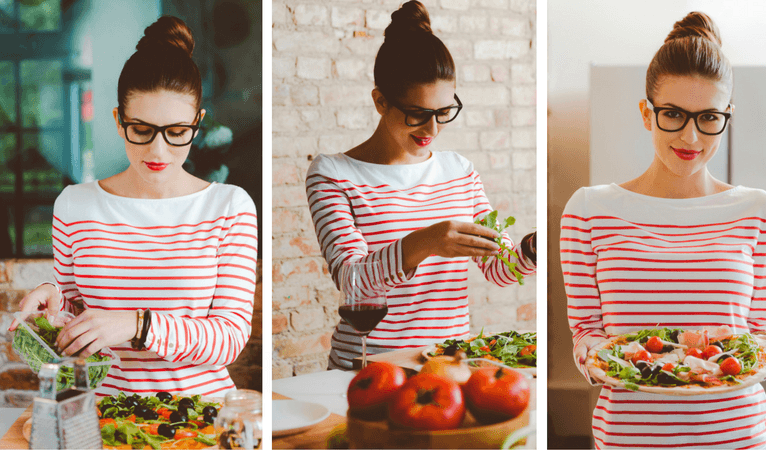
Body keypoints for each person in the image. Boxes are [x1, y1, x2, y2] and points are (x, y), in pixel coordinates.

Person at [561, 12, 766, 449]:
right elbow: (587, 334)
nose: (690, 137)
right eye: (673, 114)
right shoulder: (588, 210)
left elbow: (760, 337)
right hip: (630, 438)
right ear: (647, 114)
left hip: (735, 438)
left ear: (727, 117)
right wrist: (591, 356)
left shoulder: (762, 212)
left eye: (708, 118)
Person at [8, 16, 258, 397]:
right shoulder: (75, 205)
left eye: (177, 132)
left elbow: (228, 338)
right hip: (99, 417)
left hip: (200, 418)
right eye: (141, 130)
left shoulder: (229, 207)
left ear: (197, 122)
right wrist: (52, 307)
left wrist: (137, 325)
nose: (158, 151)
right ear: (119, 120)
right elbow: (78, 318)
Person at [305, 0, 537, 370]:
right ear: (380, 102)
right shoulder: (333, 174)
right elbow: (353, 283)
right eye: (417, 114)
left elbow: (499, 268)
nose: (432, 130)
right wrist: (426, 241)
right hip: (370, 368)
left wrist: (531, 248)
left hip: (450, 365)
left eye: (444, 112)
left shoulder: (459, 170)